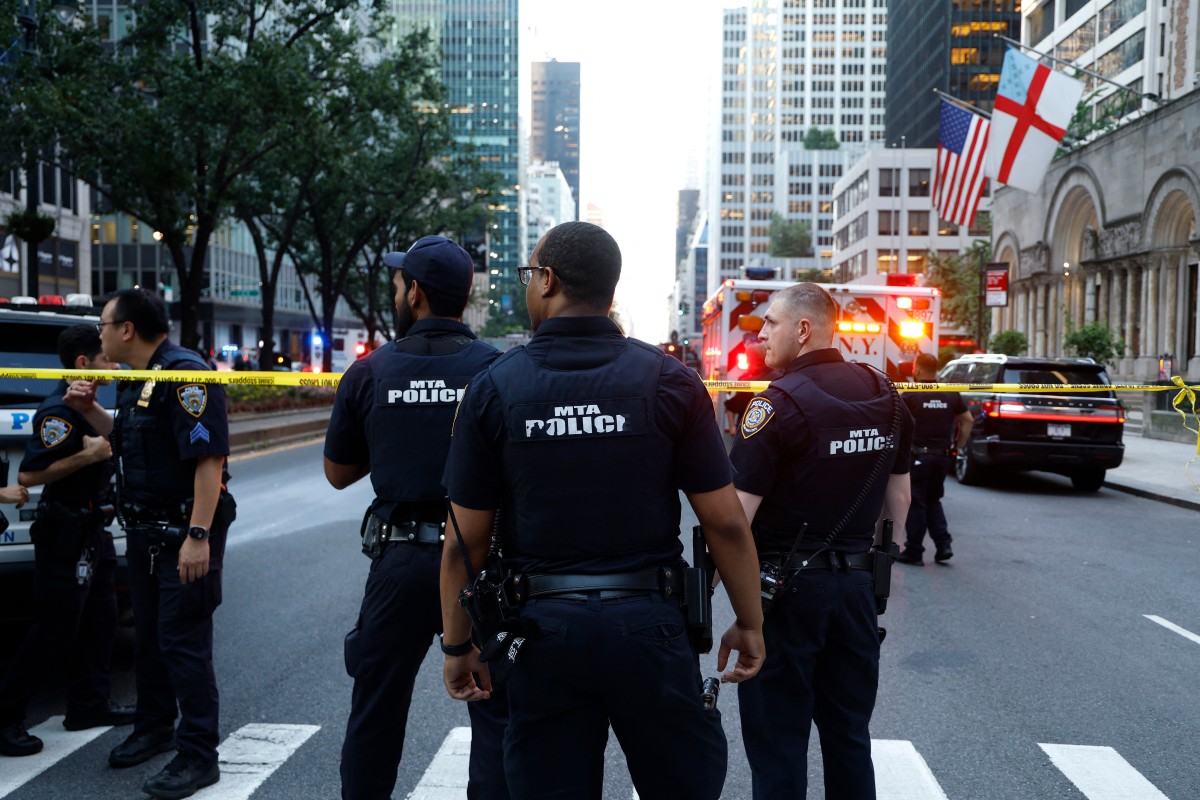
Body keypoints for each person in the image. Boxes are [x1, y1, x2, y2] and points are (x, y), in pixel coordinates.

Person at [439, 221, 765, 800]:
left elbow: (464, 543)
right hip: (650, 627)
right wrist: (750, 619)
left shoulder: (493, 388)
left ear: (548, 280)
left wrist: (457, 646)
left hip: (541, 633)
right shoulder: (670, 381)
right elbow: (725, 523)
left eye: (529, 274)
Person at [323, 236, 508, 800]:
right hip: (481, 562)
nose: (399, 291)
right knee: (493, 708)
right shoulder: (497, 369)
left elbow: (337, 472)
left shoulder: (371, 371)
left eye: (401, 283)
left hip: (400, 561)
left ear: (417, 294)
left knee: (375, 710)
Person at [729, 282, 913, 799]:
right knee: (849, 736)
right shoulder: (886, 393)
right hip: (856, 588)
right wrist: (876, 564)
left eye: (771, 323)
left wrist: (742, 608)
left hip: (786, 594)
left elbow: (737, 519)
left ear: (803, 330)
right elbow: (899, 500)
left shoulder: (775, 404)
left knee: (778, 743)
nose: (761, 334)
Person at [64, 288, 234, 799]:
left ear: (127, 330)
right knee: (152, 642)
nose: (99, 334)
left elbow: (210, 460)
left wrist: (198, 537)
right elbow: (131, 437)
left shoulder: (185, 374)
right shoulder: (137, 377)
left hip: (184, 529)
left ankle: (199, 754)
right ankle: (155, 727)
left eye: (103, 324)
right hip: (144, 530)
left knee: (184, 643)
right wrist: (90, 410)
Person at [0, 326, 134, 758]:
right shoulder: (58, 411)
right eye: (107, 359)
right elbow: (30, 474)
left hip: (94, 528)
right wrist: (89, 455)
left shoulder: (90, 406)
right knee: (54, 629)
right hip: (65, 531)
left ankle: (88, 705)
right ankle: (5, 716)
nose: (115, 365)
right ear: (83, 363)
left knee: (101, 617)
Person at [896, 352, 973, 566]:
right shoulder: (949, 393)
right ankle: (943, 546)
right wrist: (958, 445)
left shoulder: (911, 394)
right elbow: (967, 420)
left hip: (919, 457)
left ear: (917, 369)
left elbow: (897, 424)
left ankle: (914, 551)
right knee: (933, 500)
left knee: (917, 503)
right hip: (941, 458)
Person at [723, 343, 779, 433]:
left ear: (750, 360)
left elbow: (731, 406)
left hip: (748, 431)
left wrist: (732, 426)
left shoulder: (745, 382)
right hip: (774, 430)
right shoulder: (779, 377)